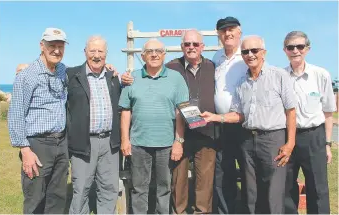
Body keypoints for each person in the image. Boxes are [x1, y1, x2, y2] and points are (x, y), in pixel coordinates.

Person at [121, 29, 218, 214]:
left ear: (202, 47)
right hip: (175, 135)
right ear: (181, 47)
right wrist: (122, 76)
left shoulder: (213, 67)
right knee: (176, 183)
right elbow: (127, 105)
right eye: (187, 44)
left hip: (204, 132)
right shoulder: (173, 67)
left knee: (203, 182)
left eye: (195, 44)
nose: (191, 47)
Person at [201, 35, 297, 214]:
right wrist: (215, 117)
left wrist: (290, 143)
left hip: (272, 140)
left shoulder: (279, 76)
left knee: (273, 192)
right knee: (250, 191)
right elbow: (239, 115)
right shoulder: (241, 83)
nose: (250, 55)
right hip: (247, 140)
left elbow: (291, 111)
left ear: (264, 53)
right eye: (245, 51)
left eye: (254, 50)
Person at [119, 38, 189, 214]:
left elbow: (182, 112)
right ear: (142, 56)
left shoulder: (176, 78)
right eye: (149, 51)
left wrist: (178, 141)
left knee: (164, 188)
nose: (154, 54)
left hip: (166, 144)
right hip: (139, 143)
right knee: (139, 188)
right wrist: (125, 140)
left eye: (158, 51)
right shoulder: (131, 78)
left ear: (164, 55)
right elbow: (126, 111)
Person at [8, 27, 69, 214]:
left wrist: (109, 67)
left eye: (60, 46)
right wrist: (25, 150)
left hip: (61, 141)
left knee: (57, 197)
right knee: (35, 197)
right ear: (42, 46)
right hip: (37, 145)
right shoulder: (27, 75)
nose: (57, 50)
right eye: (52, 45)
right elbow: (16, 113)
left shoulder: (62, 70)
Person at [283, 31, 336, 214]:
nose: (295, 50)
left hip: (314, 136)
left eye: (300, 46)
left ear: (307, 49)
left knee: (318, 187)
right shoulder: (280, 77)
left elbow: (328, 112)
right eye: (291, 47)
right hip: (287, 136)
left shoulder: (320, 75)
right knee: (287, 187)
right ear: (285, 50)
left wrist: (327, 144)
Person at [67, 35, 121, 214]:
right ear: (85, 53)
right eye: (92, 51)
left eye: (100, 51)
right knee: (81, 189)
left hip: (109, 143)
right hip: (83, 142)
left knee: (109, 189)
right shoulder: (71, 75)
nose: (96, 55)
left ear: (106, 54)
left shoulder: (113, 77)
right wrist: (23, 68)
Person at [212, 16, 248, 214]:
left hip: (245, 125)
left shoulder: (248, 55)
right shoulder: (217, 57)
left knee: (248, 172)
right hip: (221, 125)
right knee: (223, 173)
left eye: (231, 29)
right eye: (223, 30)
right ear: (219, 34)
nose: (228, 33)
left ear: (239, 32)